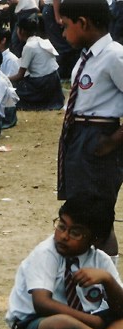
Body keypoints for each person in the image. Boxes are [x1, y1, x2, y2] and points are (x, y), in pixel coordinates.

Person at [6, 197, 123, 329]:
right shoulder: (46, 253)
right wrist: (91, 322)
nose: (63, 236)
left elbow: (120, 309)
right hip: (38, 326)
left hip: (91, 326)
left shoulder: (101, 260)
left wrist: (108, 280)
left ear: (96, 239)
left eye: (75, 233)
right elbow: (42, 303)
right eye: (61, 226)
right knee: (64, 325)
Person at [57, 0, 123, 259]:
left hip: (99, 137)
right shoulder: (86, 58)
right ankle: (84, 271)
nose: (63, 33)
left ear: (83, 23)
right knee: (80, 212)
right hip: (78, 137)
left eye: (66, 26)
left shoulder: (115, 56)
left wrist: (112, 141)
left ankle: (109, 276)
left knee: (98, 217)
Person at [8, 16, 65, 111]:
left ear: (22, 31)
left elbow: (20, 75)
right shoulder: (42, 40)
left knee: (13, 92)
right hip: (54, 79)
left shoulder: (29, 46)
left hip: (41, 83)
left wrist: (5, 79)